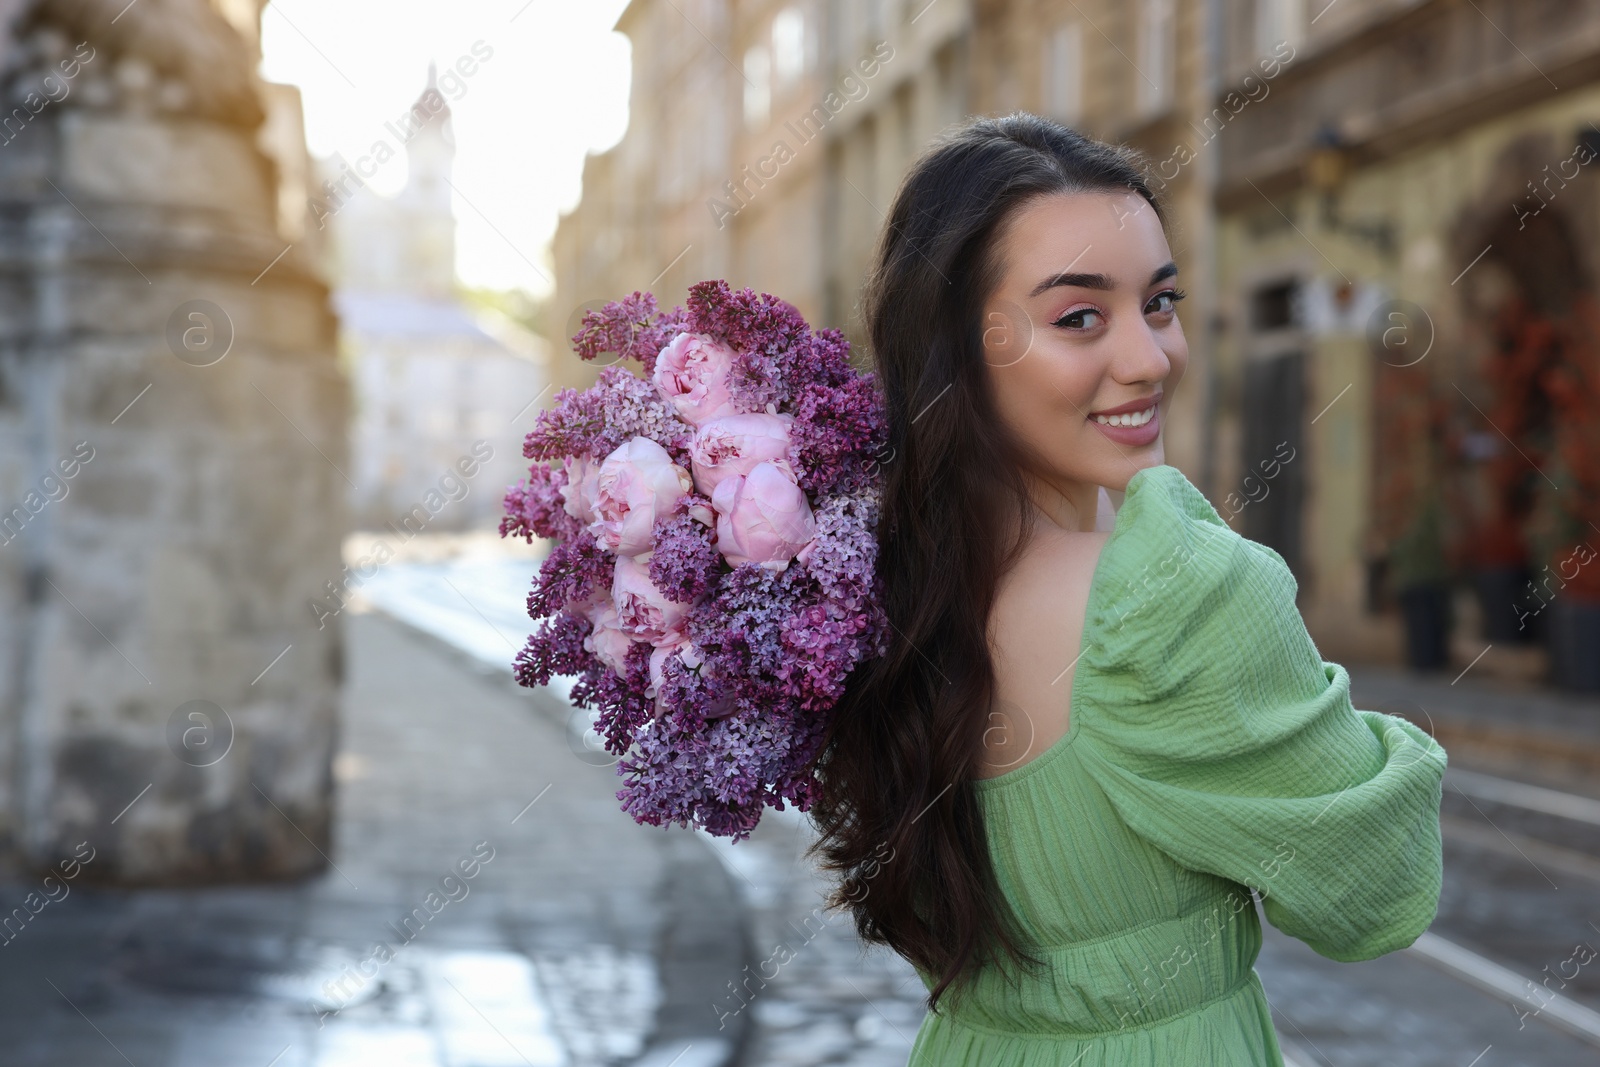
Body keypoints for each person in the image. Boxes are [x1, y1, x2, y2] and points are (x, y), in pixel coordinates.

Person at [809, 113, 1448, 1066]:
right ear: (960, 346)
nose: (1149, 357)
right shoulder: (1171, 596)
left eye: (1160, 302)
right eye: (1079, 317)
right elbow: (1379, 890)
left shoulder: (863, 590)